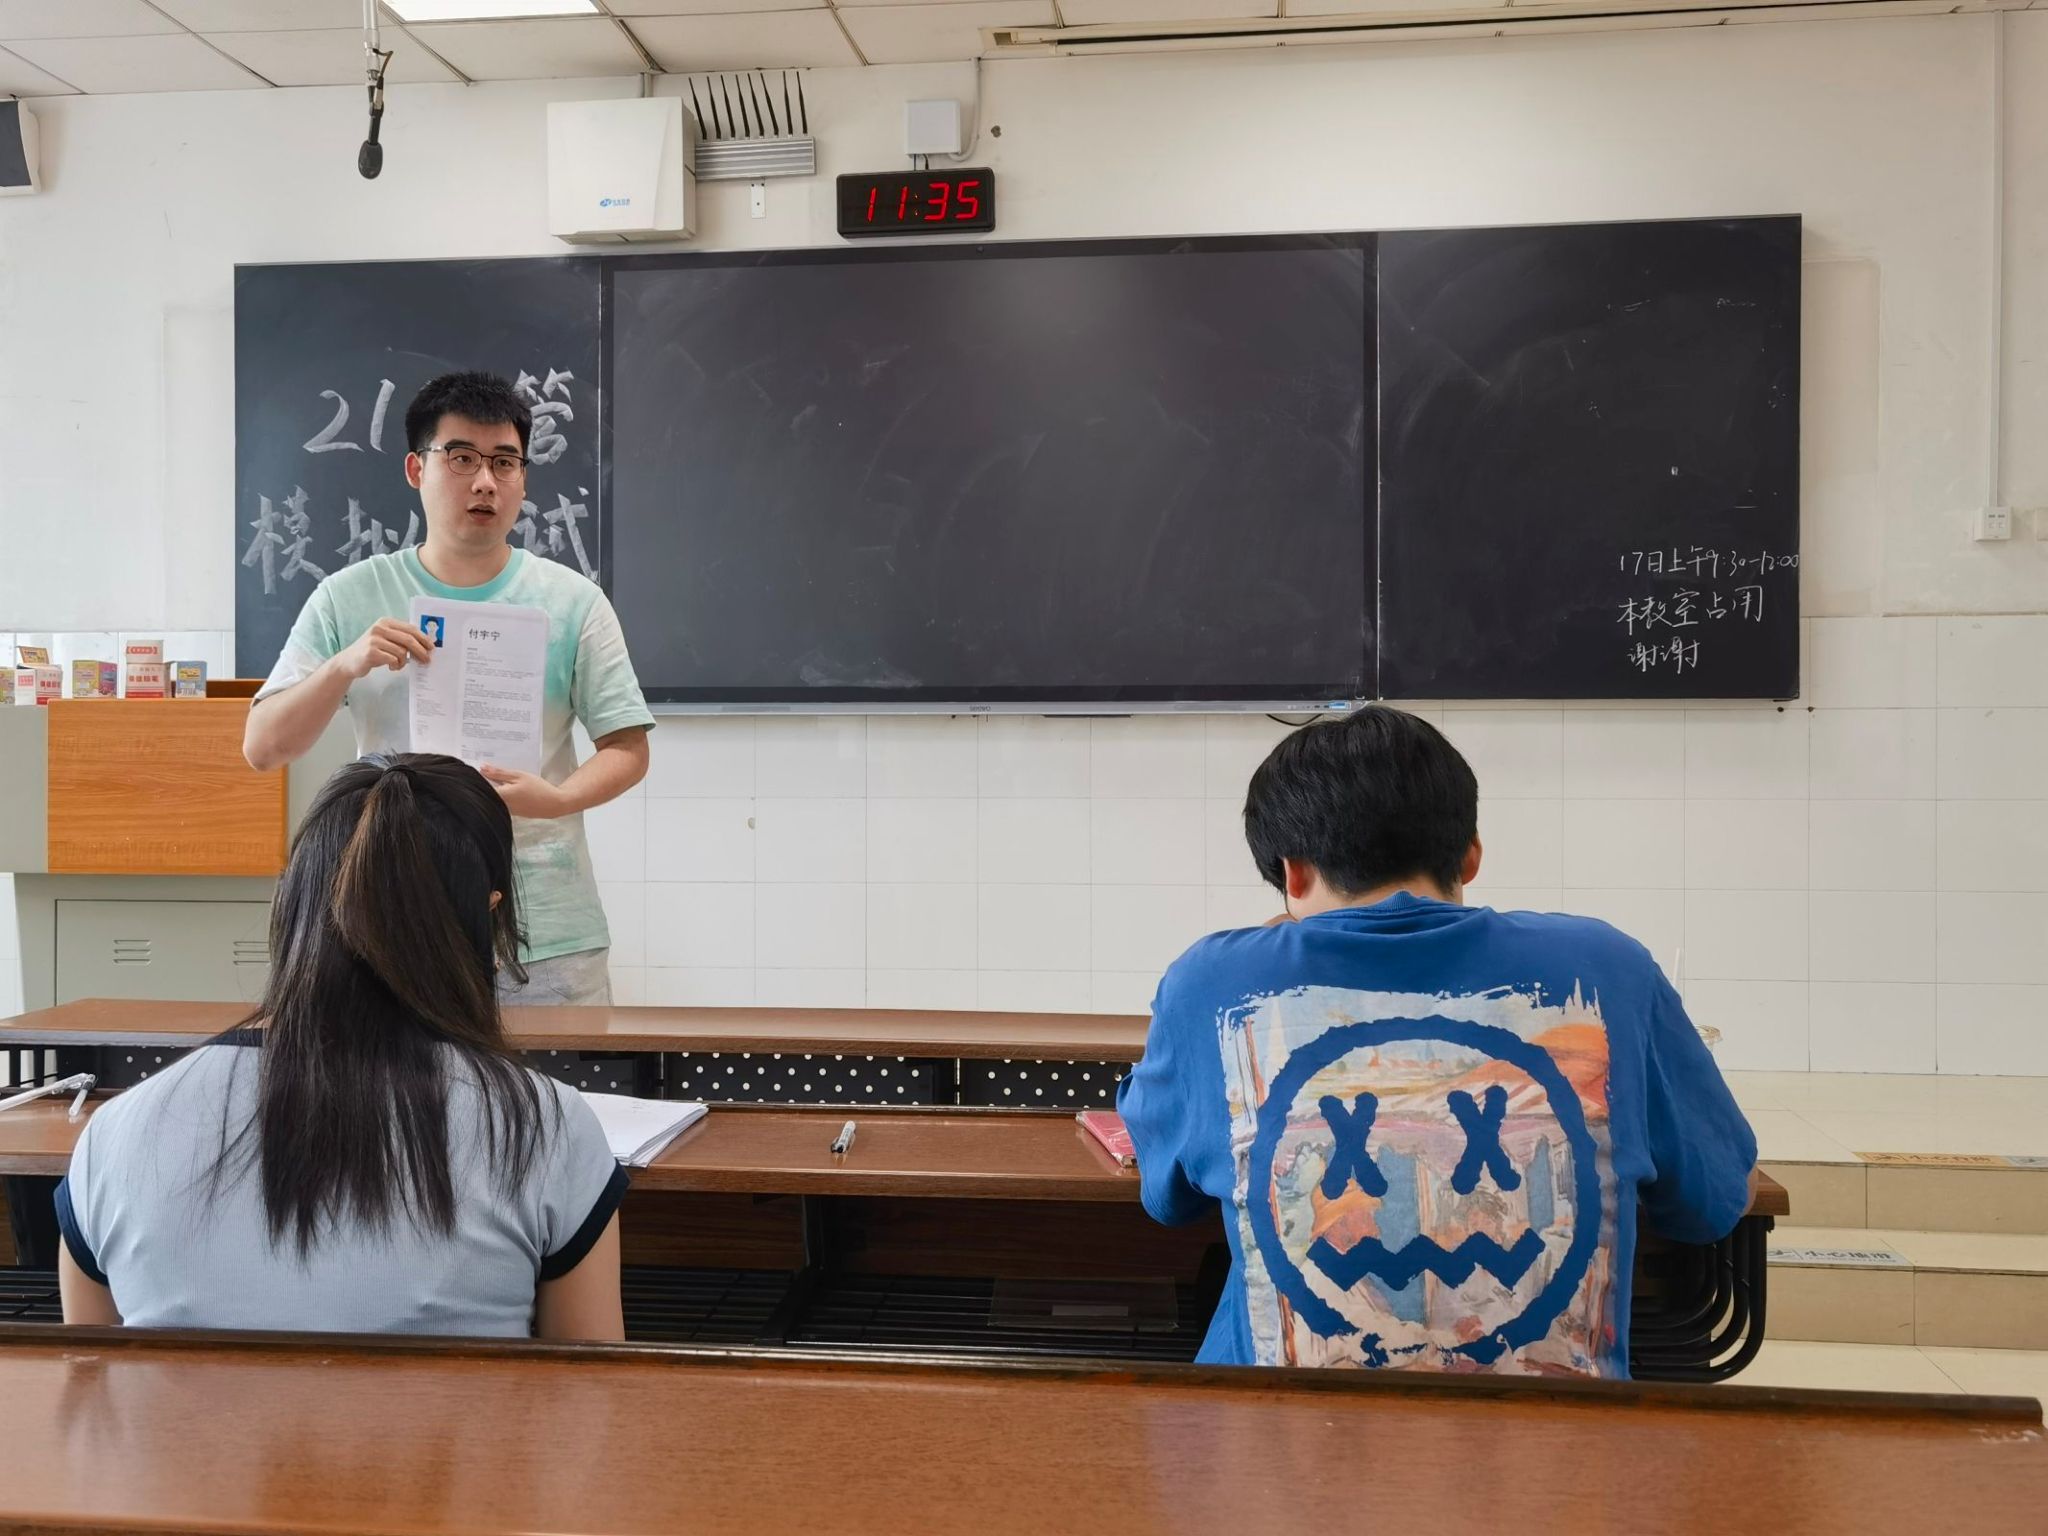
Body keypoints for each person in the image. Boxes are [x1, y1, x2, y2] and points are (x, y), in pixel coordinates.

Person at [1117, 706, 1754, 1376]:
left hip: (1274, 1431)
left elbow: (1168, 1198)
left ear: (1292, 873)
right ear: (1471, 856)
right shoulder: (1607, 969)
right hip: (1558, 1434)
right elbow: (1712, 1204)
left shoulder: (1213, 983)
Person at [54, 753, 627, 1339]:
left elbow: (90, 1377)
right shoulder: (544, 1127)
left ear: (291, 899)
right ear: (488, 910)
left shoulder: (114, 1134)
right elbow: (591, 1380)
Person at [244, 371, 653, 1006]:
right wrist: (344, 666)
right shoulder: (348, 596)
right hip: (390, 924)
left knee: (556, 1075)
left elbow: (628, 748)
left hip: (544, 930)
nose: (485, 481)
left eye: (504, 462)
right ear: (417, 469)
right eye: (461, 457)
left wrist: (558, 799)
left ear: (522, 480)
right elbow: (264, 747)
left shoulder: (574, 602)